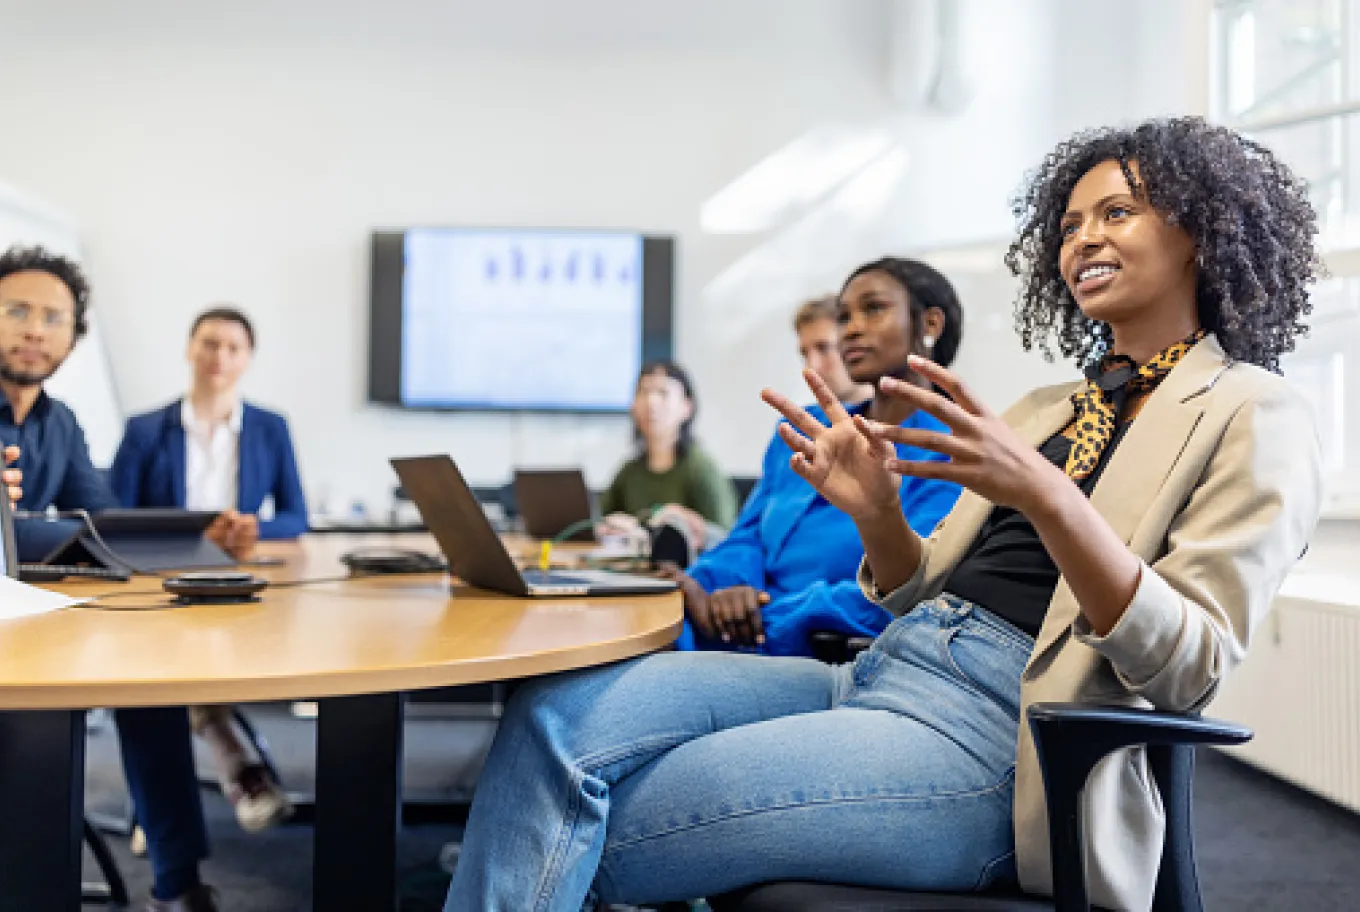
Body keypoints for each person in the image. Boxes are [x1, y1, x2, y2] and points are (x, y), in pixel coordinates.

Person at [441, 117, 1324, 912]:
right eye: (1070, 224)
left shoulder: (1254, 411)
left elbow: (1191, 665)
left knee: (592, 830)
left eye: (1118, 213)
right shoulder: (1048, 409)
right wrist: (876, 517)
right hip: (885, 667)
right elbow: (915, 592)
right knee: (553, 717)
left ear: (1203, 233)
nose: (1083, 237)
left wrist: (1051, 499)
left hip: (1000, 732)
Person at [0, 246, 222, 911]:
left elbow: (101, 516)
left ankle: (177, 881)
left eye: (53, 318)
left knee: (149, 679)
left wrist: (202, 537)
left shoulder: (59, 423)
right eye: (16, 311)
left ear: (74, 336)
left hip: (38, 624)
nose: (35, 330)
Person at [671, 258, 964, 655]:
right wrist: (722, 587)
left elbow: (910, 590)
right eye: (843, 317)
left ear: (929, 325)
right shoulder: (804, 430)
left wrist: (764, 613)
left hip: (816, 651)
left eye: (873, 308)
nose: (853, 328)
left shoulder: (951, 453)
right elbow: (748, 536)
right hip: (729, 629)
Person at [110, 306, 305, 835]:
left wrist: (252, 529)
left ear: (248, 359)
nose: (219, 357)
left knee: (203, 661)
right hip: (160, 583)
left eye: (232, 347)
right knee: (182, 662)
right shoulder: (145, 429)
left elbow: (297, 513)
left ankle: (164, 802)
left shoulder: (270, 427)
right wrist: (188, 534)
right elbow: (112, 515)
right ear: (190, 349)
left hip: (241, 583)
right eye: (209, 344)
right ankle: (236, 770)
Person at [596, 361, 738, 555]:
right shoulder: (629, 471)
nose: (651, 402)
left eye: (663, 393)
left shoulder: (701, 469)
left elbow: (730, 538)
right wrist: (612, 527)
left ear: (687, 407)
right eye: (643, 392)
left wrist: (694, 527)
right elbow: (597, 522)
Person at [795, 293, 873, 404]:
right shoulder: (796, 420)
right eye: (805, 354)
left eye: (824, 348)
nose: (812, 366)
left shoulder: (902, 415)